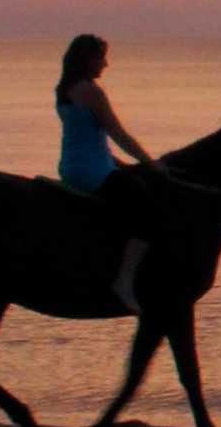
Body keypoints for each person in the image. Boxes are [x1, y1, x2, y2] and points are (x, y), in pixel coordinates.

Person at [53, 33, 156, 311]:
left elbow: (85, 137)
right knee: (146, 208)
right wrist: (151, 163)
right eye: (101, 57)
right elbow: (119, 134)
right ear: (88, 60)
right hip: (92, 171)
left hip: (73, 167)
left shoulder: (63, 89)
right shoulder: (92, 92)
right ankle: (124, 281)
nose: (106, 64)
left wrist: (120, 164)